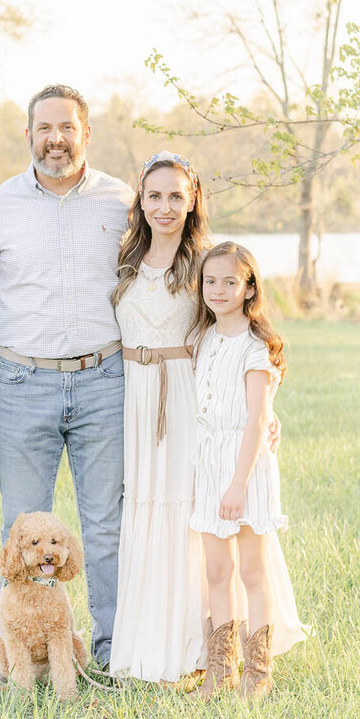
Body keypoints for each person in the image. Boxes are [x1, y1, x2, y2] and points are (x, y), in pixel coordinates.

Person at [0, 84, 132, 668]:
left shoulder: (122, 202)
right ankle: (24, 659)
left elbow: (164, 278)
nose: (55, 139)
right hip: (21, 383)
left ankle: (110, 652)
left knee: (106, 523)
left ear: (86, 134)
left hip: (103, 379)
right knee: (22, 533)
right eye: (44, 128)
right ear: (28, 135)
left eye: (67, 128)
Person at [188, 240, 308, 700]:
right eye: (210, 281)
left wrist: (238, 484)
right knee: (216, 570)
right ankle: (222, 668)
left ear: (249, 287)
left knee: (252, 572)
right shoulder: (205, 338)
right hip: (209, 465)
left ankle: (258, 670)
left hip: (245, 468)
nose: (218, 290)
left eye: (230, 282)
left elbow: (258, 418)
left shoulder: (256, 346)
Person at [109, 150, 210, 684]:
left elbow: (241, 336)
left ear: (192, 200)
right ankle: (140, 645)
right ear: (141, 202)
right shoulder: (123, 261)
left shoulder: (206, 264)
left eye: (176, 195)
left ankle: (190, 647)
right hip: (131, 396)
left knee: (181, 510)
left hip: (183, 399)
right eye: (154, 195)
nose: (165, 206)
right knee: (140, 511)